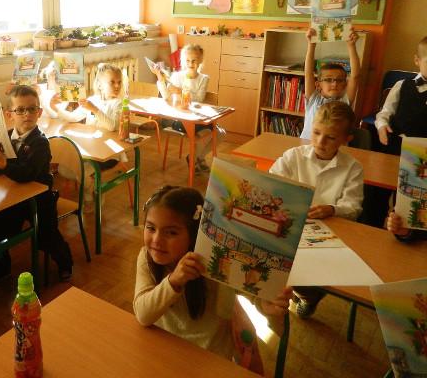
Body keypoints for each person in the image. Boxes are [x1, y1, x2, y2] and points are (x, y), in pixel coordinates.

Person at [133, 186, 292, 369]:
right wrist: (173, 281)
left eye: (171, 232)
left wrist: (266, 304)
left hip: (211, 357)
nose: (156, 240)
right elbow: (143, 315)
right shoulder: (146, 258)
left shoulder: (216, 261)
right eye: (150, 228)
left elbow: (252, 291)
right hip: (164, 350)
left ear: (193, 234)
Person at [270, 101, 364, 318]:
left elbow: (353, 208)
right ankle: (295, 292)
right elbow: (272, 184)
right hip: (292, 225)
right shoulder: (293, 156)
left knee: (312, 276)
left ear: (346, 139)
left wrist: (332, 209)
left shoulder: (353, 168)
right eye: (316, 133)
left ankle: (309, 297)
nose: (320, 142)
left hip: (329, 232)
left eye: (330, 137)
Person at [0, 85, 72, 289]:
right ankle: (0, 270)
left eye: (31, 109)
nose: (26, 114)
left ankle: (65, 262)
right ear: (9, 114)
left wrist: (4, 166)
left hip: (40, 200)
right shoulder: (4, 139)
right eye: (20, 110)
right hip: (14, 199)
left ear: (39, 112)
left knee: (46, 237)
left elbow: (27, 174)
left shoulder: (40, 143)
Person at [152, 44, 218, 173]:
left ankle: (196, 157)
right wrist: (160, 78)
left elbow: (199, 99)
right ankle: (196, 158)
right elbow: (166, 96)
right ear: (183, 61)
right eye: (187, 60)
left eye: (194, 60)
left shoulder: (203, 79)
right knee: (208, 133)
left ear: (200, 61)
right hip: (179, 119)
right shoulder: (177, 76)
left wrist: (180, 91)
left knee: (219, 133)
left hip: (196, 117)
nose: (190, 64)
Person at [300, 27, 361, 139]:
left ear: (345, 84)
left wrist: (351, 46)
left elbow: (355, 76)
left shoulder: (344, 102)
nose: (334, 84)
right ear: (318, 84)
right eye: (328, 80)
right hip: (307, 145)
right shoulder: (313, 99)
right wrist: (311, 44)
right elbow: (308, 73)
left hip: (332, 147)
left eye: (339, 80)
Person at [375, 36, 427, 155]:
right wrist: (382, 125)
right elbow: (386, 112)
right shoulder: (401, 85)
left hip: (423, 150)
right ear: (417, 60)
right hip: (397, 143)